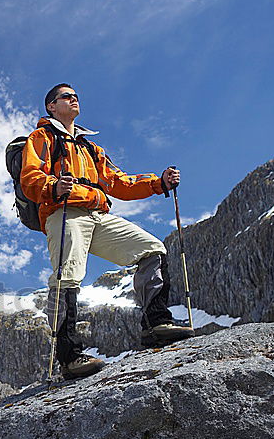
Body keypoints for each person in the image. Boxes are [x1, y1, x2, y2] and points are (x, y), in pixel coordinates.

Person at [20, 83, 193, 378]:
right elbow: (30, 177)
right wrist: (52, 186)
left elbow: (118, 182)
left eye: (75, 96)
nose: (74, 99)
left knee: (152, 249)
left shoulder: (90, 147)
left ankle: (156, 325)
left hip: (97, 213)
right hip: (64, 212)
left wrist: (158, 183)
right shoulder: (41, 137)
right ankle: (69, 357)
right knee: (67, 275)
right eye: (66, 97)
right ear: (51, 106)